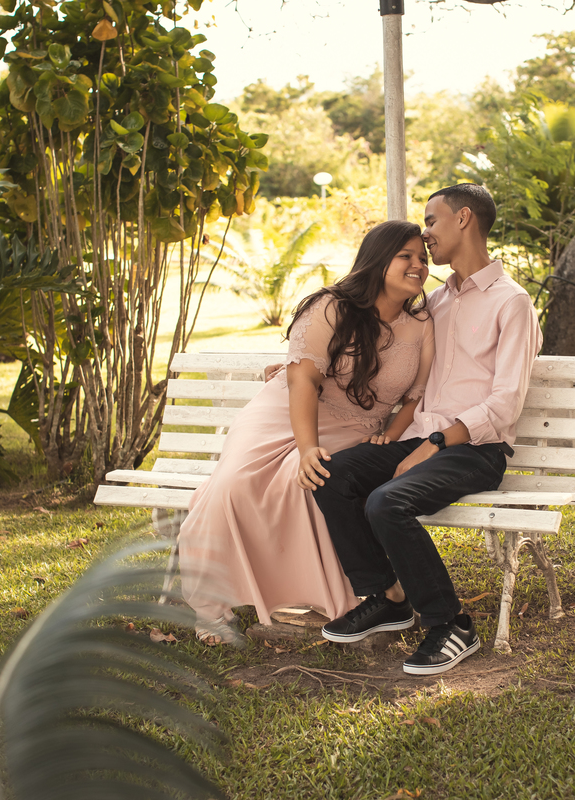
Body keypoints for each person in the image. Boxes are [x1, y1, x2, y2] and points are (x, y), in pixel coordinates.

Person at [307, 184, 541, 675]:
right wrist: (307, 366)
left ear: (463, 219)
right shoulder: (435, 300)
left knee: (386, 501)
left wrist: (437, 442)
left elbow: (506, 401)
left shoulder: (511, 302)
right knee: (334, 474)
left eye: (431, 222)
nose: (426, 234)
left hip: (475, 447)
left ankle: (451, 623)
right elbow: (386, 350)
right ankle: (390, 598)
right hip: (419, 439)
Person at [178, 220, 435, 645]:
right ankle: (214, 607)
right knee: (233, 486)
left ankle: (340, 597)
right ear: (377, 259)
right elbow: (303, 382)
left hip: (355, 430)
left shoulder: (422, 326)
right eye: (405, 256)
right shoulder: (331, 307)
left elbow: (414, 398)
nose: (418, 266)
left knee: (314, 486)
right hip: (286, 413)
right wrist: (306, 447)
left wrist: (391, 433)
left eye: (423, 258)